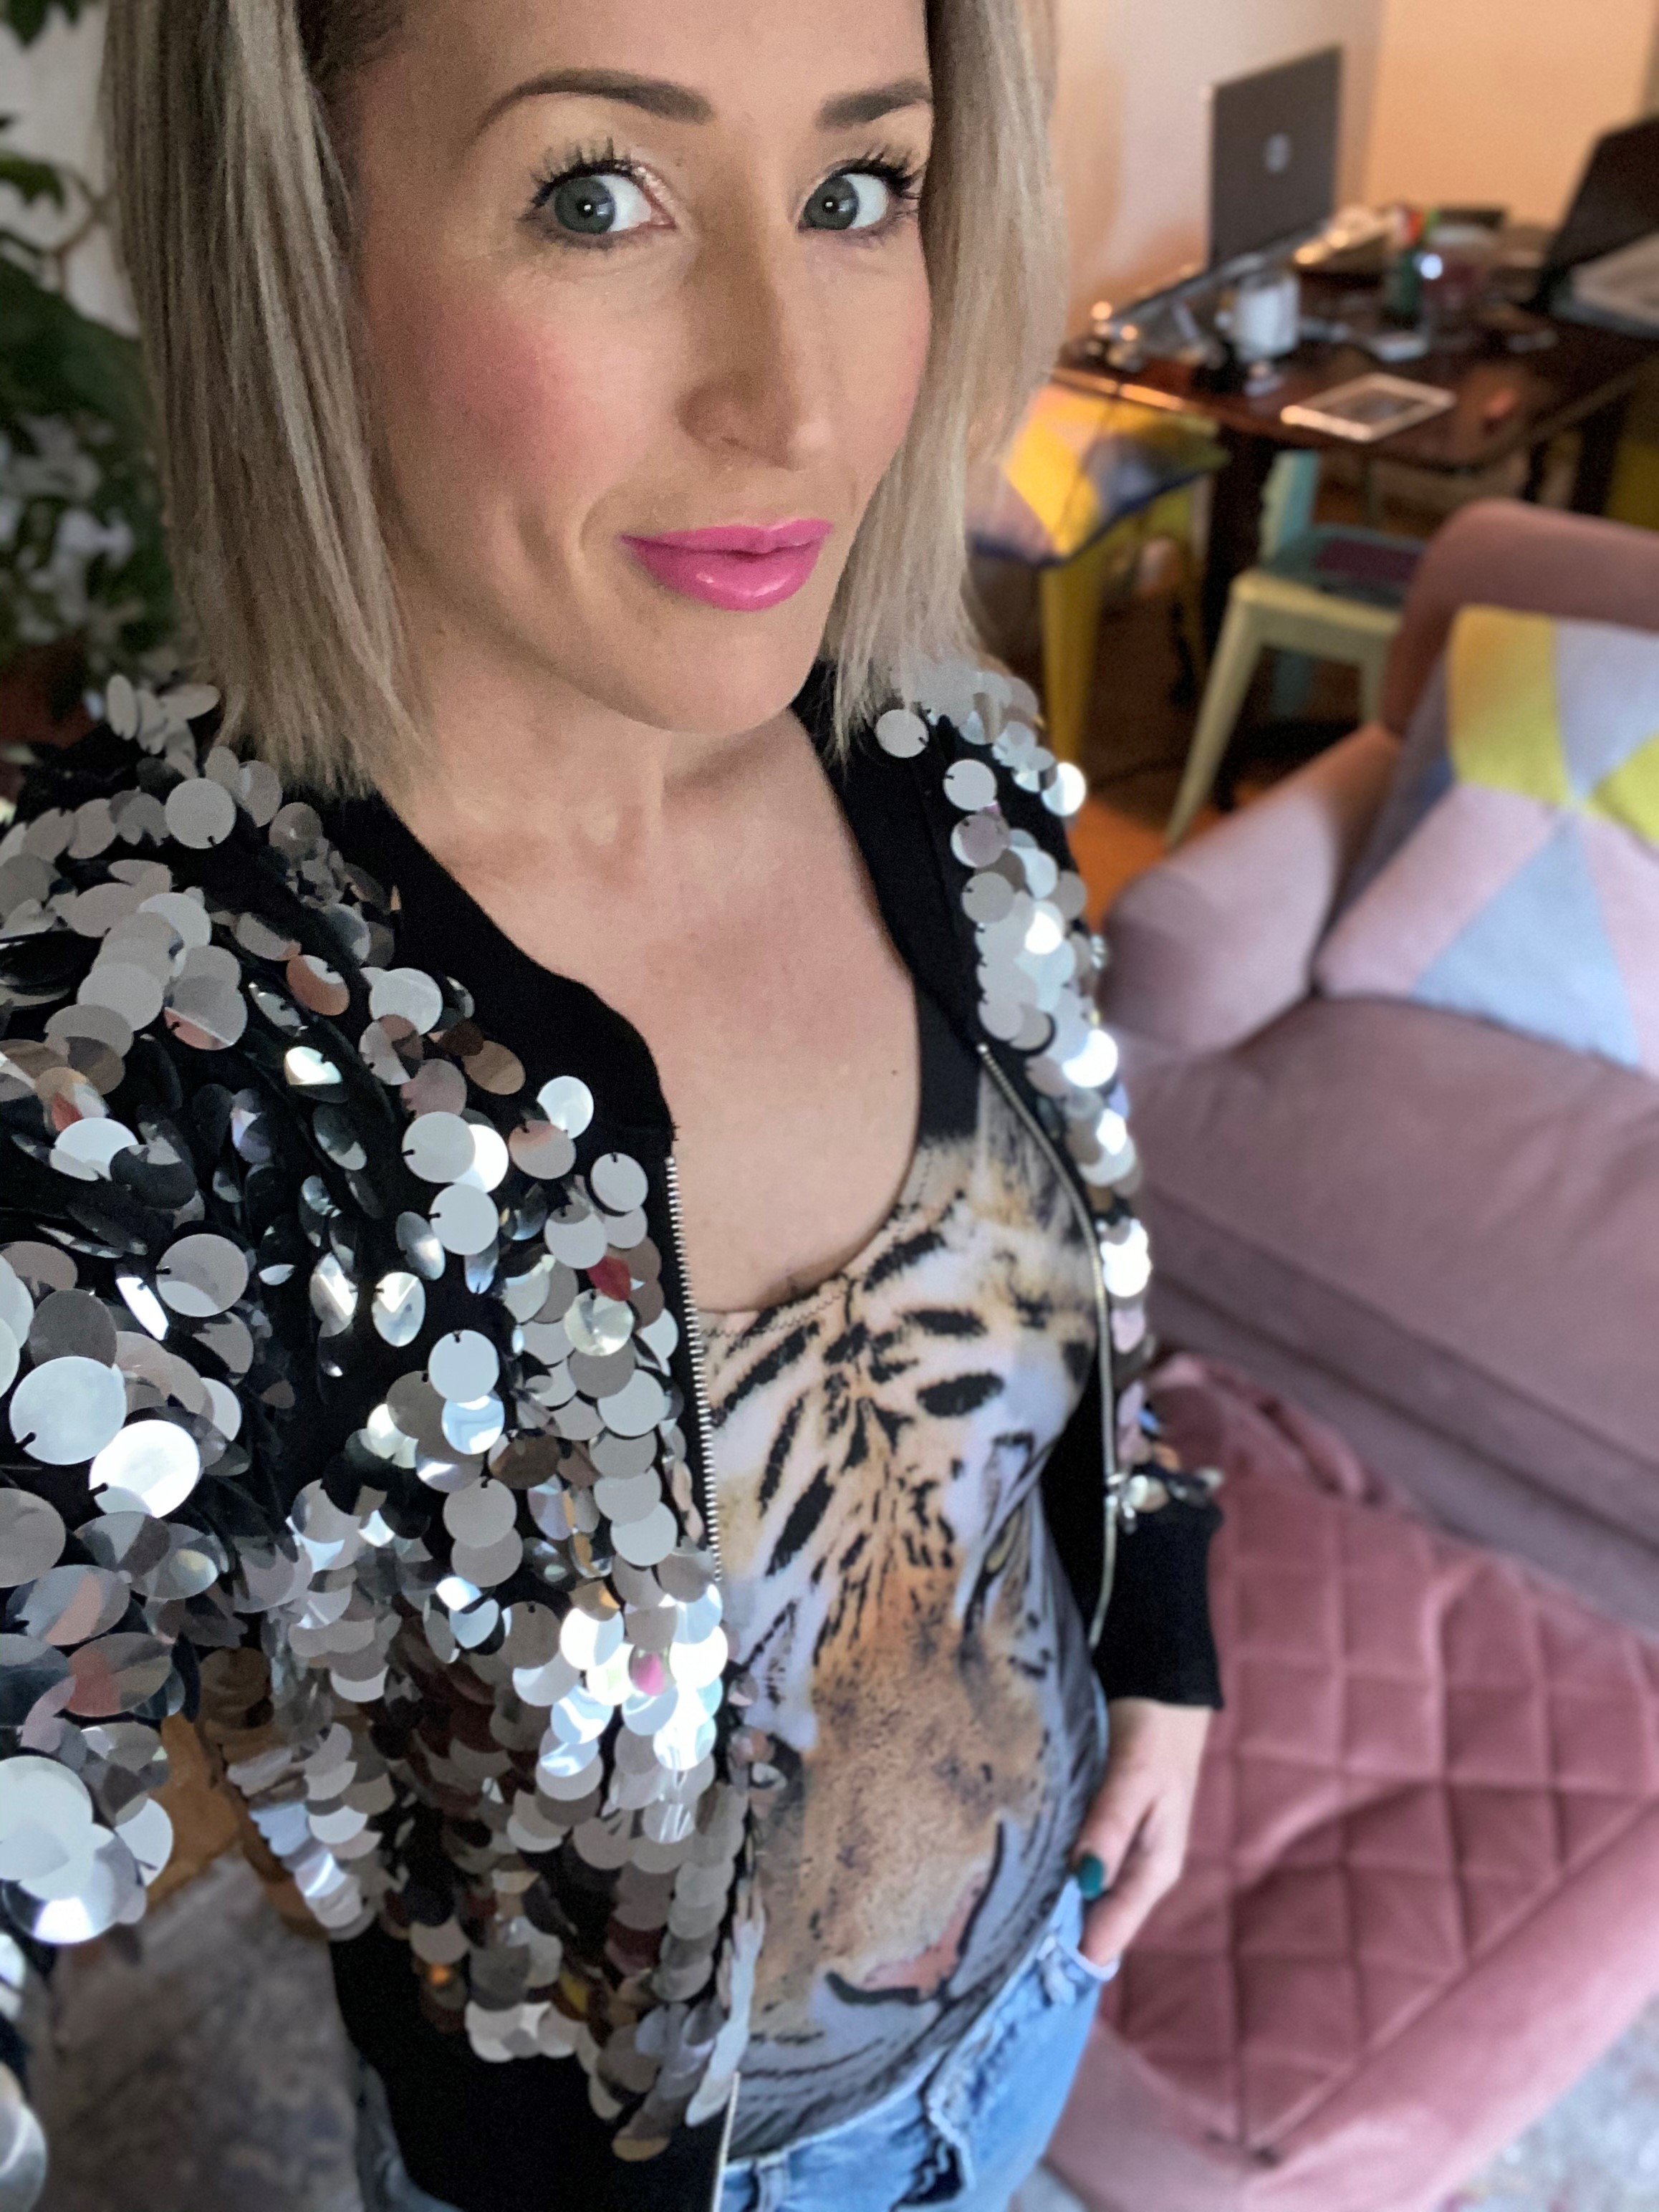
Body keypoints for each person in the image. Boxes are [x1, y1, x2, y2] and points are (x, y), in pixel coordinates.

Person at [0, 3, 1221, 2207]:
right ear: (301, 233)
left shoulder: (940, 758)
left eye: (857, 188)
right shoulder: (130, 1041)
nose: (801, 398)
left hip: (1037, 1992)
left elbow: (1096, 1247)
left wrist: (1164, 1634)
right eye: (596, 193)